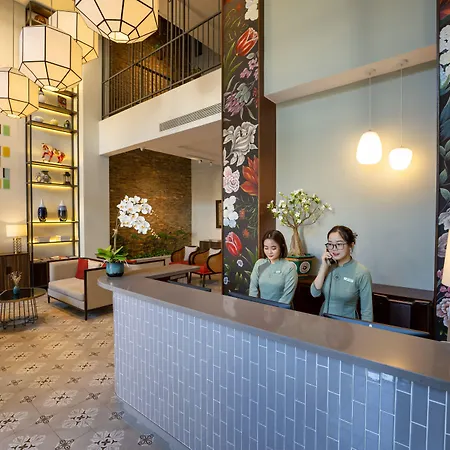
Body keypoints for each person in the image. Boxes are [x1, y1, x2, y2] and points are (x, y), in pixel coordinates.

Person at [311, 225, 373, 321]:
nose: (334, 248)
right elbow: (314, 293)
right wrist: (324, 266)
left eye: (339, 244)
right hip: (324, 322)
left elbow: (367, 311)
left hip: (348, 325)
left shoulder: (362, 272)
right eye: (330, 244)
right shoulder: (328, 266)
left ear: (351, 245)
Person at [249, 230, 298, 305]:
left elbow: (287, 297)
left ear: (281, 247)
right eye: (266, 248)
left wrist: (275, 309)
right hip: (261, 308)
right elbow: (253, 290)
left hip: (282, 309)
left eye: (273, 248)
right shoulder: (259, 264)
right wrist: (254, 306)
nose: (269, 252)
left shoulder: (289, 267)